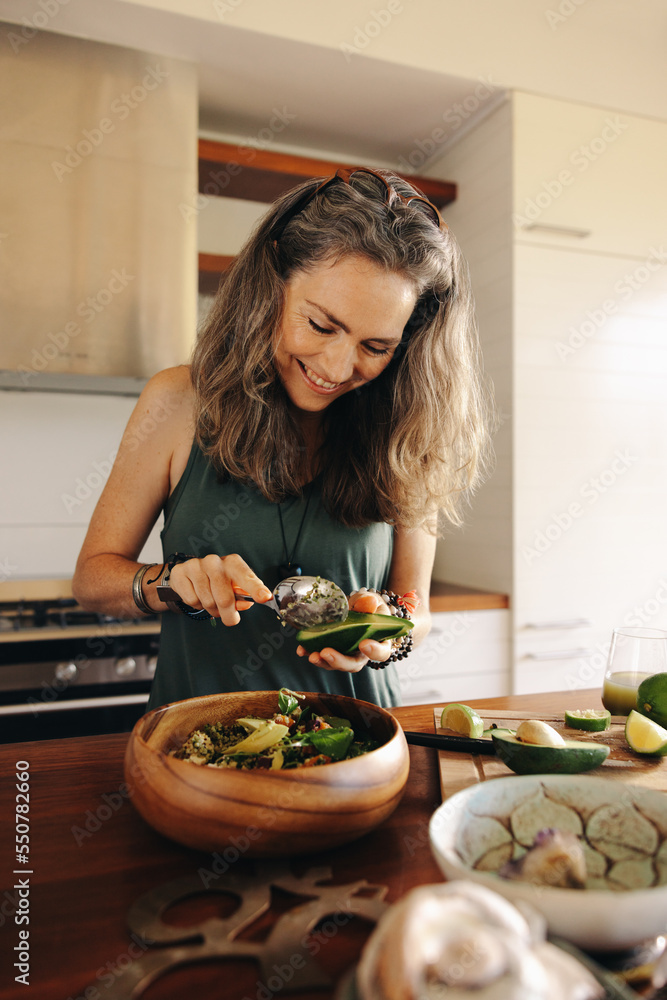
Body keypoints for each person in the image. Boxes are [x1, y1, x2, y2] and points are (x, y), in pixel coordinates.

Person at [72, 167, 491, 711]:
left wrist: (389, 637)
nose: (338, 368)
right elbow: (92, 578)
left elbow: (416, 607)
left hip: (358, 743)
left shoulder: (409, 427)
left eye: (377, 346)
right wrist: (171, 583)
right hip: (200, 743)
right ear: (272, 281)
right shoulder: (178, 401)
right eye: (320, 326)